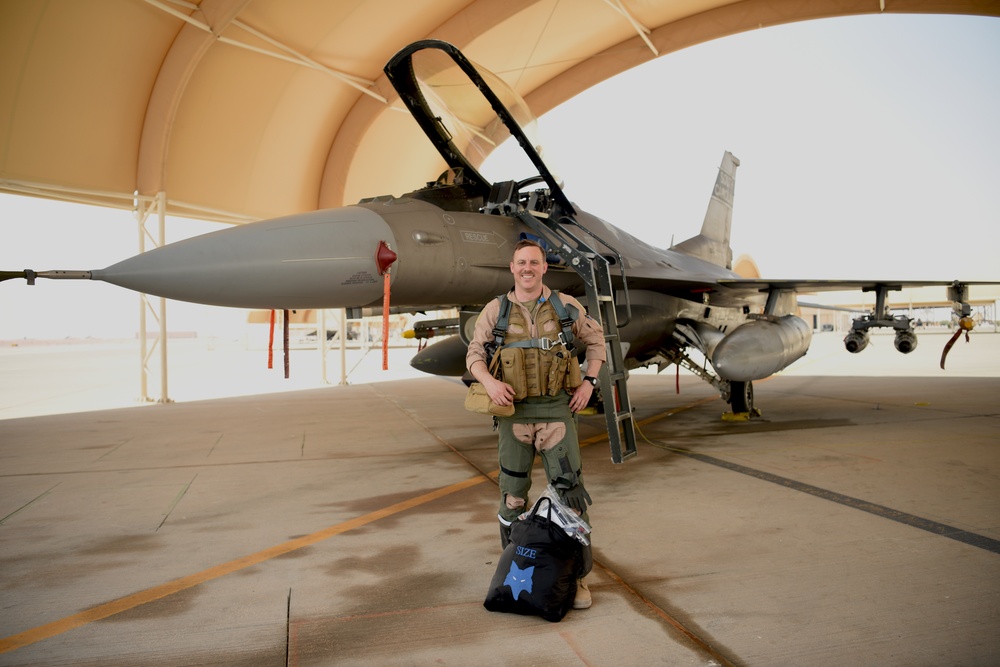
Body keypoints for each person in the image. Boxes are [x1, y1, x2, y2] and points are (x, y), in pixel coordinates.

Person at [466, 239, 606, 610]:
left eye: (534, 262)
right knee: (513, 496)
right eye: (521, 263)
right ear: (512, 268)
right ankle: (517, 572)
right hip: (514, 415)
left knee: (571, 496)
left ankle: (577, 579)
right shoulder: (495, 310)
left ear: (544, 268)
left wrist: (589, 383)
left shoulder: (565, 306)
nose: (527, 268)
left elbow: (596, 341)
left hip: (557, 411)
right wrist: (490, 383)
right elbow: (474, 354)